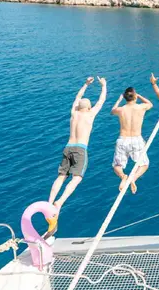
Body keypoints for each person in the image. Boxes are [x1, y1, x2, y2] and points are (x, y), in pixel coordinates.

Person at [49, 76, 107, 212]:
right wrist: (103, 85)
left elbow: (77, 98)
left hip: (67, 147)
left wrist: (86, 84)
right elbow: (101, 100)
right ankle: (60, 202)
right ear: (89, 107)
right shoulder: (91, 114)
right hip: (80, 149)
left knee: (61, 176)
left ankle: (50, 201)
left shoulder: (73, 114)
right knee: (77, 178)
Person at [110, 87, 153, 194]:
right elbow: (150, 104)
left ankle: (124, 176)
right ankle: (133, 178)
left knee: (117, 166)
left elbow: (112, 111)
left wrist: (119, 100)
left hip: (122, 140)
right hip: (136, 139)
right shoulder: (141, 107)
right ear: (135, 96)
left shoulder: (120, 110)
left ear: (125, 98)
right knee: (144, 164)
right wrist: (139, 96)